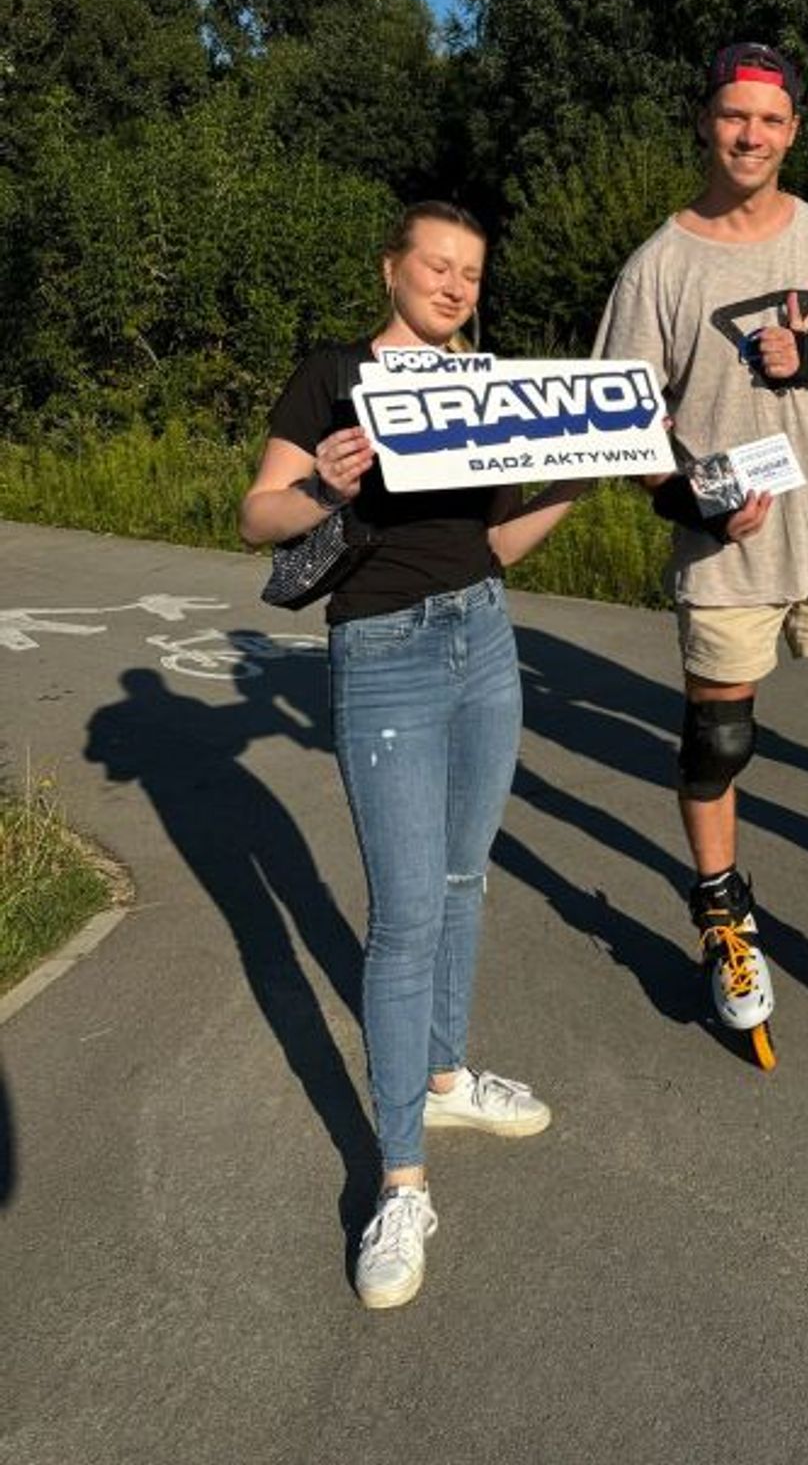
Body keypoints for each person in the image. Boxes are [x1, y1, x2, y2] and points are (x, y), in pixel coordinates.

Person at [240, 200, 579, 1309]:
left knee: (464, 880)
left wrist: (574, 485)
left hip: (484, 637)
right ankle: (399, 1180)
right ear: (391, 268)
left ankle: (442, 1075)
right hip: (384, 651)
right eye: (436, 265)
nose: (453, 285)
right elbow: (256, 517)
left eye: (470, 273)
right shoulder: (335, 377)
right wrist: (325, 487)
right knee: (404, 917)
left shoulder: (485, 386)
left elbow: (491, 542)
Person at [593, 41, 808, 1066]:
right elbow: (622, 421)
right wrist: (685, 499)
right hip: (726, 550)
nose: (752, 136)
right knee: (718, 745)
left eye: (771, 120)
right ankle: (725, 918)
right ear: (706, 121)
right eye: (736, 116)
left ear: (794, 132)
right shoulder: (660, 264)